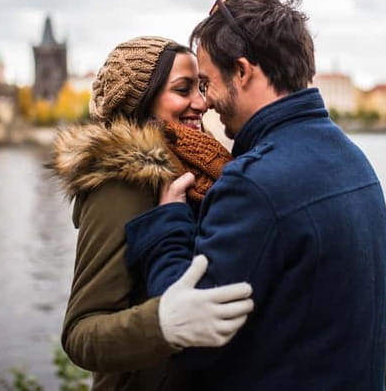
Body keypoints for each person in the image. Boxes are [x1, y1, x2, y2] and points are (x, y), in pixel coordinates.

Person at [125, 0, 386, 390]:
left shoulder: (255, 184)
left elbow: (188, 335)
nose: (205, 101)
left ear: (244, 72)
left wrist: (168, 222)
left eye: (208, 83)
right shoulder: (353, 160)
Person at [50, 37, 254, 391]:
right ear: (140, 100)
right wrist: (162, 324)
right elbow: (81, 333)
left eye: (201, 87)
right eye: (183, 89)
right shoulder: (121, 184)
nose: (201, 103)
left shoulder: (200, 168)